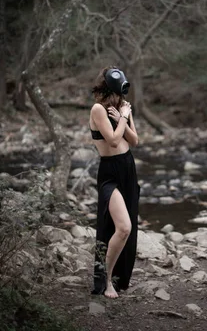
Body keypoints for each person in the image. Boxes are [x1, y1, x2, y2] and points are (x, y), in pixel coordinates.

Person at [89, 66, 140, 299]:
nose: (123, 93)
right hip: (110, 172)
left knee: (128, 230)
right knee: (123, 227)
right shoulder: (98, 109)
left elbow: (135, 140)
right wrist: (122, 120)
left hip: (128, 167)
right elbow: (112, 141)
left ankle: (119, 277)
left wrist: (125, 117)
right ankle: (106, 281)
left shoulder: (124, 107)